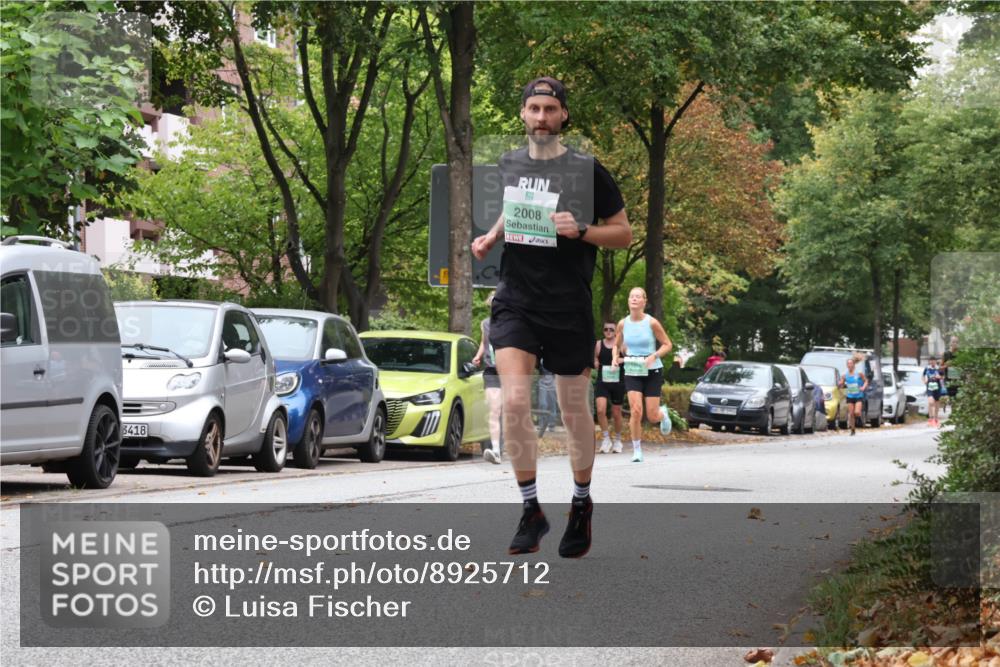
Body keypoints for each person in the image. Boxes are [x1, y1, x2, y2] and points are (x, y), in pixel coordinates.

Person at [470, 76, 631, 558]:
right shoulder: (509, 162)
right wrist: (492, 236)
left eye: (550, 109)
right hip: (516, 298)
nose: (541, 117)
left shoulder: (587, 170)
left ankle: (580, 504)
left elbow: (622, 233)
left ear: (563, 116)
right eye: (533, 108)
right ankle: (530, 509)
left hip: (568, 304)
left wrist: (582, 230)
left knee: (571, 410)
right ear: (522, 114)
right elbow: (513, 205)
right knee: (515, 402)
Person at [612, 287, 673, 462]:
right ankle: (637, 451)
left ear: (644, 301)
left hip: (652, 370)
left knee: (651, 416)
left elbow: (667, 344)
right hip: (632, 370)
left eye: (638, 297)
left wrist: (653, 356)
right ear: (628, 301)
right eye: (631, 296)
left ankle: (663, 414)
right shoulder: (623, 323)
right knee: (636, 411)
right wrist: (615, 357)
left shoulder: (652, 322)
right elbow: (617, 344)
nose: (634, 299)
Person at [473, 291, 503, 464]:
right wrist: (478, 356)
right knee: (494, 410)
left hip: (510, 373)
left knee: (509, 412)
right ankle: (496, 450)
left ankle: (510, 445)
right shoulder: (485, 324)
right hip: (491, 371)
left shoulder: (512, 324)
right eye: (493, 304)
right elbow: (484, 344)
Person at [594, 321, 625, 454]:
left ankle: (618, 440)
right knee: (600, 410)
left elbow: (631, 358)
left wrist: (621, 360)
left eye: (611, 330)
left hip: (618, 382)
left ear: (616, 332)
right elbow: (595, 358)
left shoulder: (621, 345)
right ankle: (606, 439)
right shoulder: (598, 344)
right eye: (606, 329)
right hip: (603, 381)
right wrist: (595, 363)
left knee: (616, 413)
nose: (608, 332)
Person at [839, 357, 868, 436]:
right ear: (847, 365)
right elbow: (841, 384)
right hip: (850, 396)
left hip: (859, 395)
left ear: (854, 365)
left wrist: (863, 387)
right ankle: (853, 430)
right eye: (848, 364)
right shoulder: (845, 375)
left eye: (851, 363)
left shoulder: (859, 373)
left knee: (857, 412)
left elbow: (866, 381)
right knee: (851, 414)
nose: (849, 365)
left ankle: (859, 419)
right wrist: (840, 384)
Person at [535, 364, 559, 437]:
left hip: (552, 382)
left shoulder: (555, 358)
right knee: (543, 404)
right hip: (542, 382)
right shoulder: (540, 359)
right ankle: (541, 424)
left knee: (552, 405)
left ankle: (551, 425)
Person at [923, 356, 945, 428]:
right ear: (929, 361)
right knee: (930, 402)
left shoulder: (938, 368)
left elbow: (943, 376)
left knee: (937, 403)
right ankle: (931, 418)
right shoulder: (927, 368)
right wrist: (924, 381)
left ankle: (936, 418)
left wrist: (940, 377)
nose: (932, 362)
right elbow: (923, 376)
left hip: (937, 387)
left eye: (934, 360)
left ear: (935, 361)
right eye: (931, 360)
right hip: (929, 387)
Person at [941, 336, 960, 415]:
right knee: (952, 397)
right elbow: (940, 367)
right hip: (949, 380)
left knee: (958, 398)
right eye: (953, 341)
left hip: (959, 379)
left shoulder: (961, 353)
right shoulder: (945, 354)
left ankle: (956, 413)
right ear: (950, 343)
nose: (954, 343)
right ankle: (953, 413)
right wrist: (946, 365)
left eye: (956, 342)